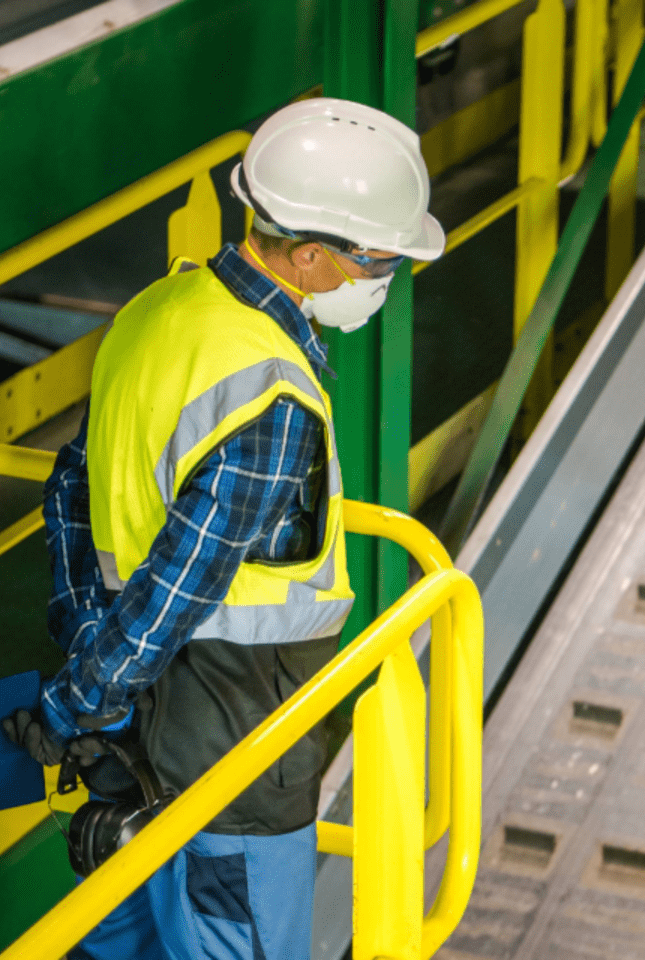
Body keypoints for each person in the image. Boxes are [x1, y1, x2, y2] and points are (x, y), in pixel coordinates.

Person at [1, 97, 444, 959]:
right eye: (378, 259)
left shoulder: (156, 312)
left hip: (122, 729)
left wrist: (84, 670)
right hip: (234, 737)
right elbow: (180, 584)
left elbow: (71, 490)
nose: (384, 278)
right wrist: (72, 705)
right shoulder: (270, 391)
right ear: (313, 259)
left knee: (113, 936)